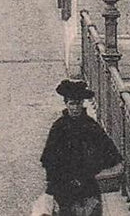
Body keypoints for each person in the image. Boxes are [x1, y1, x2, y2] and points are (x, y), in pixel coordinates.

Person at [40, 80, 122, 216]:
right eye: (71, 103)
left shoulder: (91, 126)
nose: (75, 108)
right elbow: (49, 159)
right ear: (66, 104)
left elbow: (111, 153)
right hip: (64, 187)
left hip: (88, 187)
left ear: (82, 104)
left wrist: (93, 168)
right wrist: (54, 185)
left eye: (78, 103)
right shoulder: (59, 127)